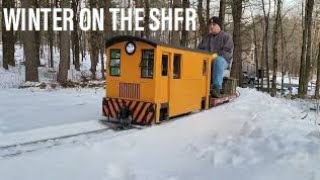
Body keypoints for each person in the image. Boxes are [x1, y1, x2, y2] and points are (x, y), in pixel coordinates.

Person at [198, 16, 234, 98]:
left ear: (219, 26)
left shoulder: (226, 37)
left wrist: (214, 56)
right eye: (210, 24)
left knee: (218, 60)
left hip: (223, 62)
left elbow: (227, 53)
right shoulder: (206, 38)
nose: (211, 26)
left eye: (213, 24)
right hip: (208, 61)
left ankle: (216, 88)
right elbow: (199, 50)